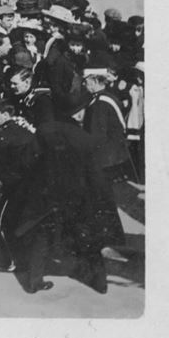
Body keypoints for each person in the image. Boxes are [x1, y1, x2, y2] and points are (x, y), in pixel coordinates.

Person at [15, 121, 125, 294]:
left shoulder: (46, 132)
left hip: (51, 197)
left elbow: (29, 162)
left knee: (42, 238)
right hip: (79, 197)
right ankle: (99, 283)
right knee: (89, 239)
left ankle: (34, 282)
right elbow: (95, 173)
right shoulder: (84, 139)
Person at [0, 100, 39, 275]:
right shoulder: (23, 132)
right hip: (29, 185)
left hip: (14, 187)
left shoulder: (4, 137)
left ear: (5, 115)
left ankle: (13, 262)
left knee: (0, 222)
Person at [81, 70, 135, 182]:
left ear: (94, 81)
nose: (84, 85)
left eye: (86, 82)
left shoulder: (100, 102)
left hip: (109, 157)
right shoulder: (108, 96)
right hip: (117, 153)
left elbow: (98, 134)